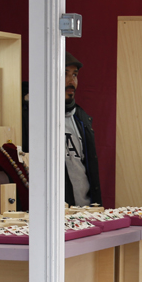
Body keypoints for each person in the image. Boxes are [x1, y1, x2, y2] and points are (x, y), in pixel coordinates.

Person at [63, 51, 102, 207]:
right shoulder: (34, 119)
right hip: (52, 217)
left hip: (84, 212)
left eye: (74, 75)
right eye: (65, 74)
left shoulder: (81, 119)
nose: (71, 81)